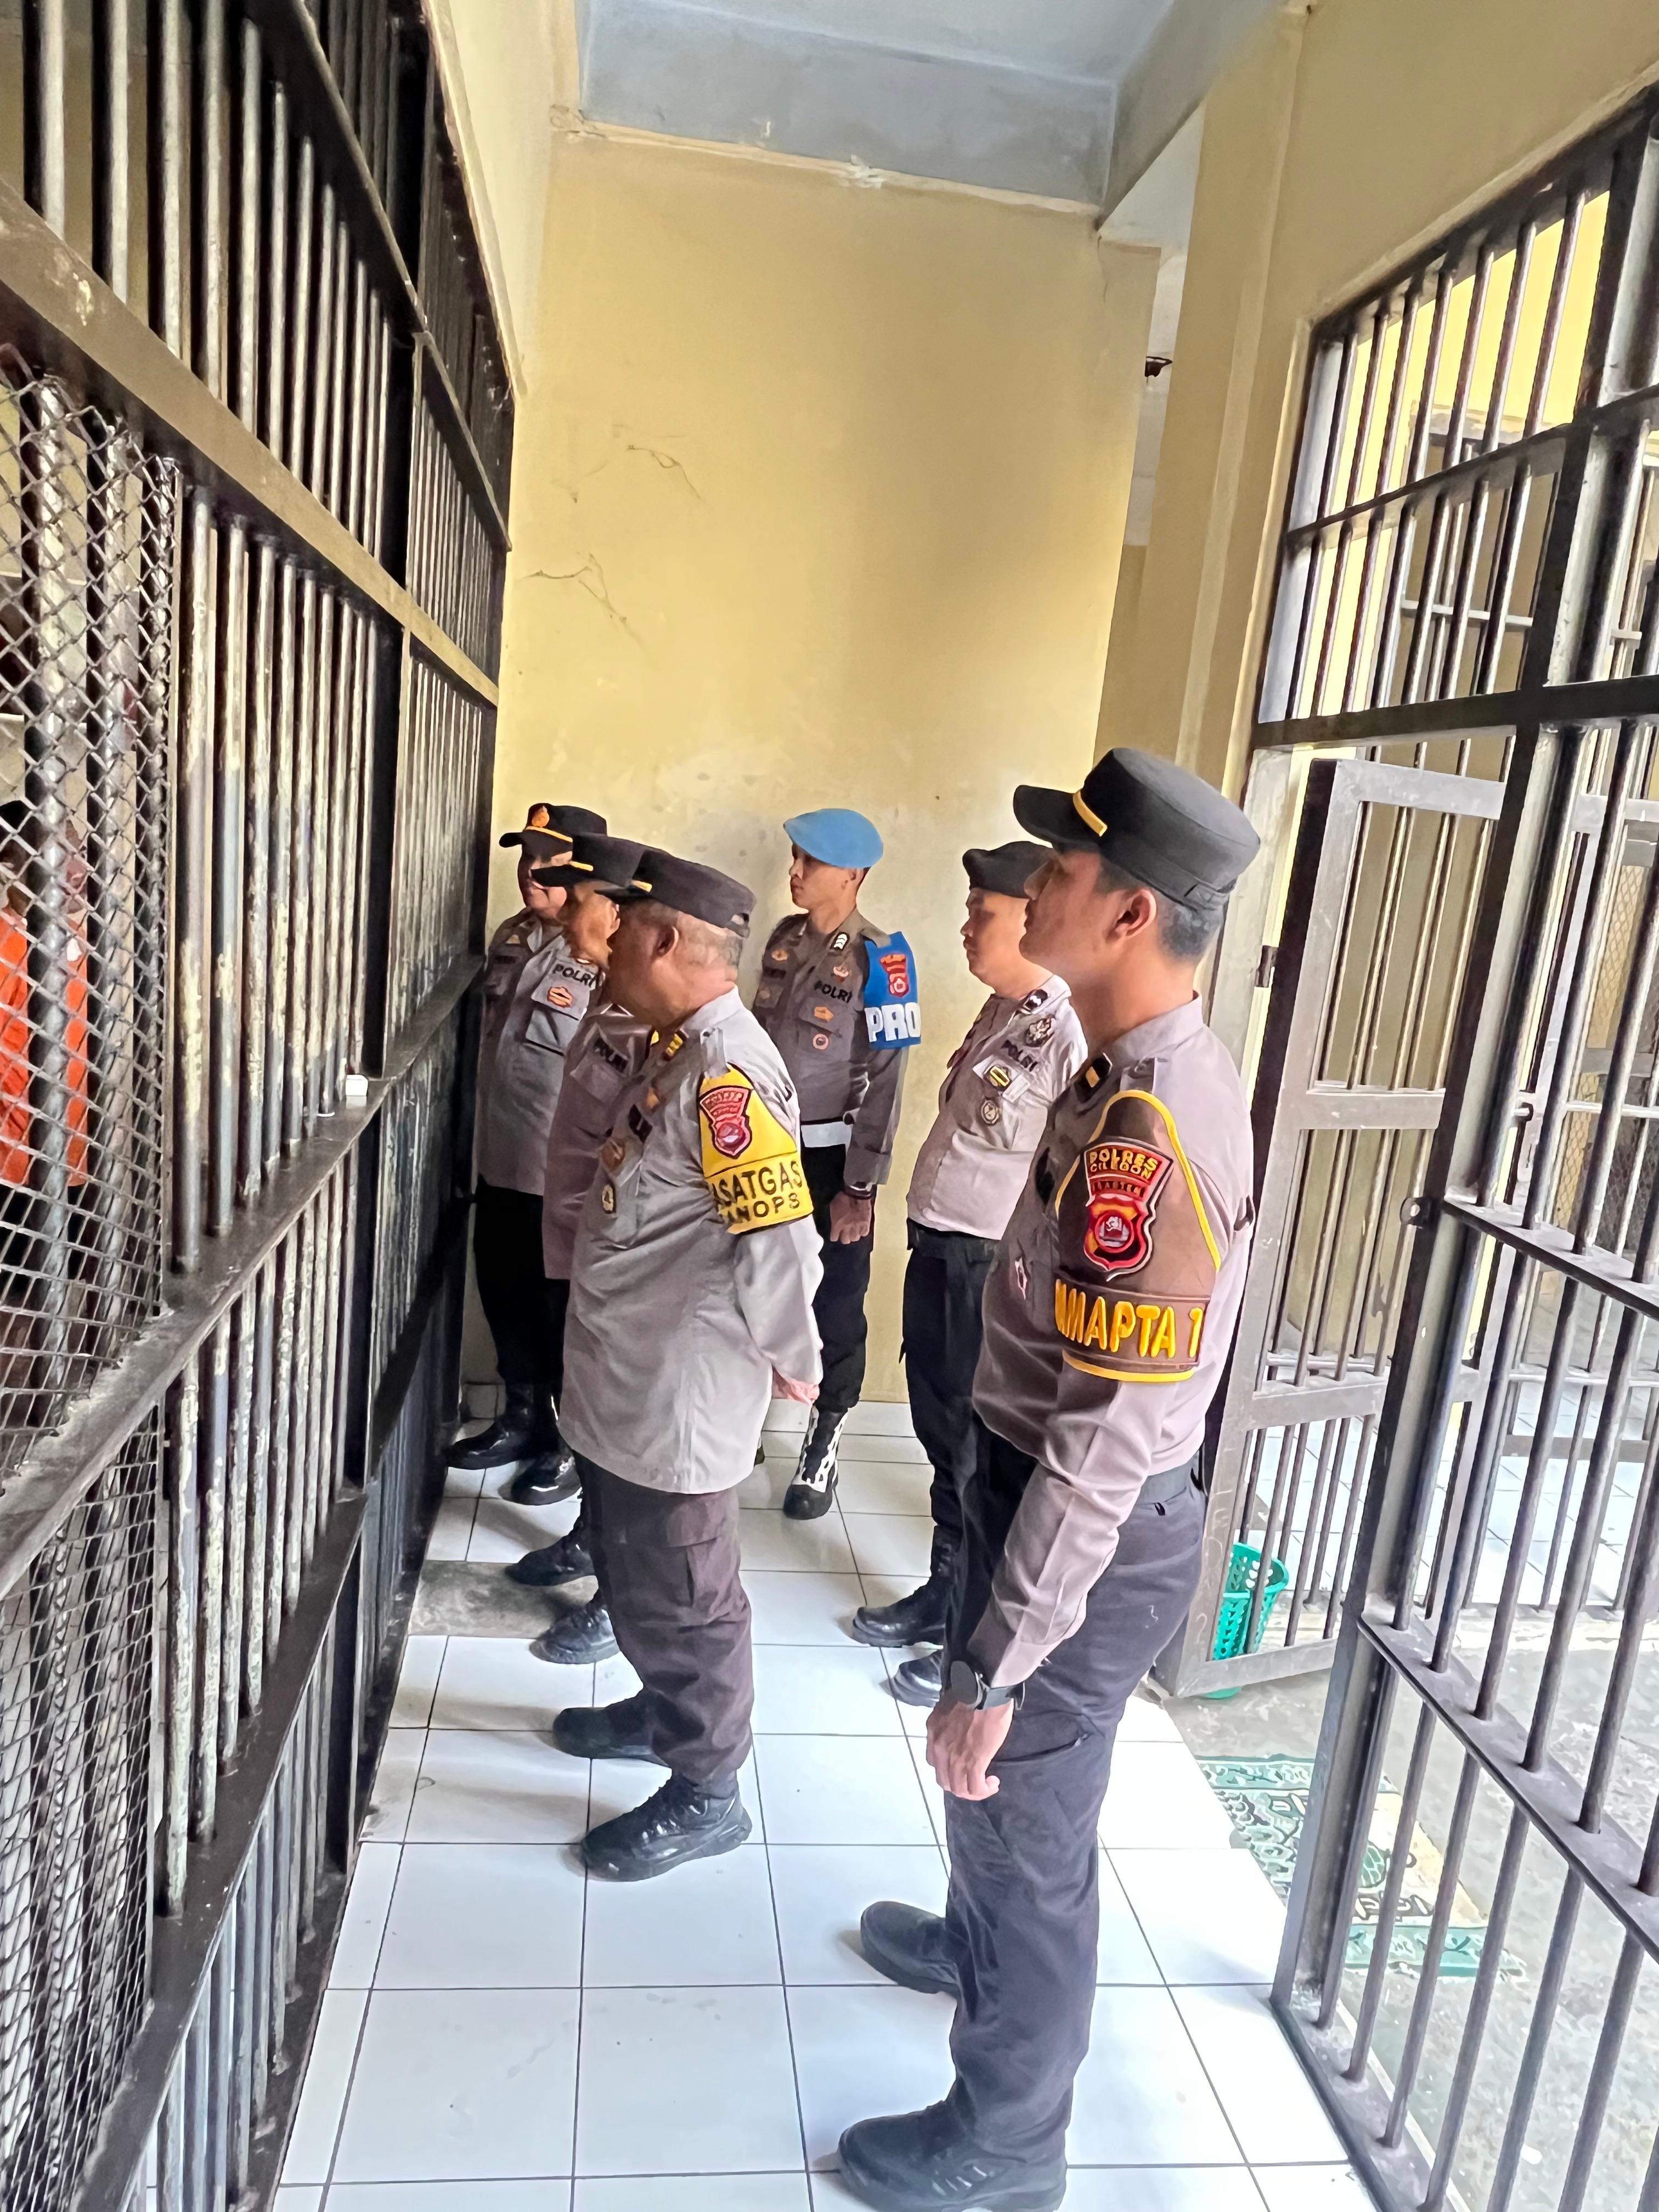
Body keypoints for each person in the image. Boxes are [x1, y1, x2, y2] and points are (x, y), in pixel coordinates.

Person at [839, 749, 1260, 2212]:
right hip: (1033, 1491)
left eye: (1063, 875)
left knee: (1026, 1819)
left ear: (1132, 914)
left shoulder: (1156, 1128)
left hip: (1088, 1530)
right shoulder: (1111, 1066)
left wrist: (1004, 1659)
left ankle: (1009, 2142)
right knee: (996, 1800)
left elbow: (1106, 1438)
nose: (1034, 894)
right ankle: (972, 1945)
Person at [552, 850, 823, 1880]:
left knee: (685, 1587)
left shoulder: (727, 1076)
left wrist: (794, 1356)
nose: (608, 947)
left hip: (679, 1388)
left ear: (664, 940)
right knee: (634, 1567)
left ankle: (707, 1791)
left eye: (624, 932)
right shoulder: (677, 1047)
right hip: (628, 1371)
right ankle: (659, 1711)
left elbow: (778, 1242)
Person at [849, 842, 1085, 1708]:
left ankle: (970, 1632)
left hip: (990, 1267)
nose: (966, 927)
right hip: (944, 1252)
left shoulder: (1067, 1031)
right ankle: (943, 1590)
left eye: (981, 914)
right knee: (940, 1433)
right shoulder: (1004, 1011)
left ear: (1030, 918)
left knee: (977, 1449)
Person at [503, 832, 652, 1667]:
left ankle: (616, 1595)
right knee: (579, 1409)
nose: (565, 911)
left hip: (611, 1261)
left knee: (615, 1431)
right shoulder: (606, 1004)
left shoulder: (655, 1030)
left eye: (582, 898)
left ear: (620, 914)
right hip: (571, 1241)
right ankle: (590, 1537)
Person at [752, 808, 919, 1519]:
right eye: (794, 857)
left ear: (853, 875)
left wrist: (861, 1187)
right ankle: (746, 1420)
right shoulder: (784, 940)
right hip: (763, 1151)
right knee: (751, 1283)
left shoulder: (887, 961)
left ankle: (824, 1441)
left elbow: (889, 1082)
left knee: (837, 1303)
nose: (794, 872)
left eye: (810, 862)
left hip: (832, 1164)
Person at [447, 801, 605, 1485]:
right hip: (500, 1156)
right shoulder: (512, 935)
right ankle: (520, 1417)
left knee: (559, 1312)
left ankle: (569, 1441)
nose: (531, 872)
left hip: (560, 1175)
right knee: (504, 1293)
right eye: (526, 856)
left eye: (549, 860)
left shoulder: (604, 954)